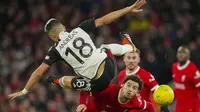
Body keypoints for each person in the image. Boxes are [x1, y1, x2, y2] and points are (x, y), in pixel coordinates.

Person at [8, 0, 146, 100]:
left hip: (97, 84)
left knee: (70, 82)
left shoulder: (54, 50)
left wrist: (24, 91)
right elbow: (105, 20)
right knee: (103, 47)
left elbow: (38, 73)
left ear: (51, 36)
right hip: (110, 66)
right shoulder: (80, 28)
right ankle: (128, 47)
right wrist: (128, 9)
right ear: (63, 26)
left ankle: (55, 81)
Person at [117, 32, 169, 112]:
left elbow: (159, 92)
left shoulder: (146, 75)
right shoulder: (121, 75)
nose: (131, 61)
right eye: (129, 58)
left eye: (134, 58)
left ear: (138, 60)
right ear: (124, 59)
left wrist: (164, 107)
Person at [76, 75, 155, 112]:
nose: (130, 89)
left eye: (134, 88)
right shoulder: (108, 90)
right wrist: (82, 103)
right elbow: (85, 86)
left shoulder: (135, 102)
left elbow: (149, 106)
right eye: (128, 85)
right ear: (122, 85)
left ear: (137, 93)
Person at [172, 45, 200, 112]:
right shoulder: (174, 67)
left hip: (192, 108)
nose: (181, 55)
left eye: (184, 52)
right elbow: (177, 87)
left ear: (188, 55)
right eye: (179, 52)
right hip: (179, 107)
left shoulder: (193, 70)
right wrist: (171, 99)